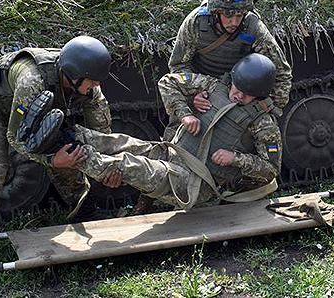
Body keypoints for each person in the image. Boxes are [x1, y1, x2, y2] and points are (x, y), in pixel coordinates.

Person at [30, 53, 282, 214]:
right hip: (173, 152)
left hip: (193, 183)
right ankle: (63, 136)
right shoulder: (214, 86)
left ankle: (80, 157)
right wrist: (185, 112)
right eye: (236, 88)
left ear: (259, 96)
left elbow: (271, 170)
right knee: (118, 142)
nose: (237, 95)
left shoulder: (262, 123)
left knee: (130, 165)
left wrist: (235, 159)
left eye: (245, 95)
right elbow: (169, 81)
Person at [0, 35, 114, 286]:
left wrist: (108, 166)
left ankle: (83, 211)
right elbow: (16, 138)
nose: (95, 86)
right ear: (73, 75)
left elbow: (103, 131)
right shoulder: (33, 80)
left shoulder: (88, 82)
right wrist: (53, 160)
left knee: (69, 149)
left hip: (38, 112)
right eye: (92, 82)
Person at [167, 0, 292, 124]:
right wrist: (194, 96)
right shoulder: (195, 23)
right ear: (216, 12)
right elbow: (178, 66)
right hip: (202, 89)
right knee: (178, 137)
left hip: (240, 92)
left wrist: (269, 107)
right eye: (228, 16)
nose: (234, 22)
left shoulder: (253, 27)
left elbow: (281, 72)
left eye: (239, 15)